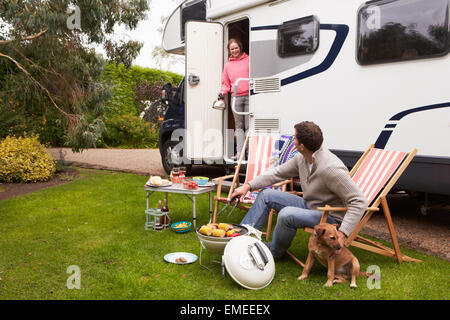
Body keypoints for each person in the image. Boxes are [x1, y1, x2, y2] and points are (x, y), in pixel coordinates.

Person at [231, 121, 368, 259]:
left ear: (301, 146)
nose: (293, 140)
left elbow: (359, 201)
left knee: (286, 214)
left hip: (329, 216)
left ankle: (275, 252)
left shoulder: (331, 168)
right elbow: (277, 173)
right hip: (309, 205)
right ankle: (241, 241)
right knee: (266, 195)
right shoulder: (301, 158)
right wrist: (248, 186)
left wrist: (342, 234)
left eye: (295, 138)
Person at [219, 38, 249, 159]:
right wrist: (222, 93)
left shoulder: (249, 60)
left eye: (236, 48)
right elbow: (225, 83)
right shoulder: (228, 66)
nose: (234, 50)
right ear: (229, 51)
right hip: (236, 97)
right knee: (239, 127)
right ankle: (240, 154)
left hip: (249, 96)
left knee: (249, 126)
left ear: (240, 47)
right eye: (232, 49)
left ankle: (250, 153)